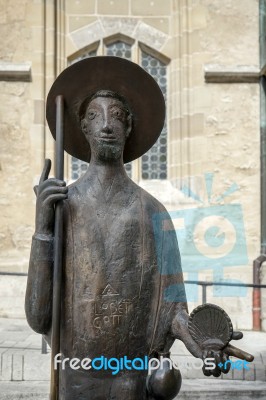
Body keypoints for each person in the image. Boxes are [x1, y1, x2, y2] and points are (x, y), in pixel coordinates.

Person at [25, 57, 253, 400]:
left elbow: (173, 307)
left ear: (128, 127)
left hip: (132, 380)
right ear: (82, 128)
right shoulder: (63, 207)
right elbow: (38, 315)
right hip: (75, 377)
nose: (105, 125)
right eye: (94, 116)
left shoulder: (152, 212)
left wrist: (199, 344)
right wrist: (44, 229)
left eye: (116, 116)